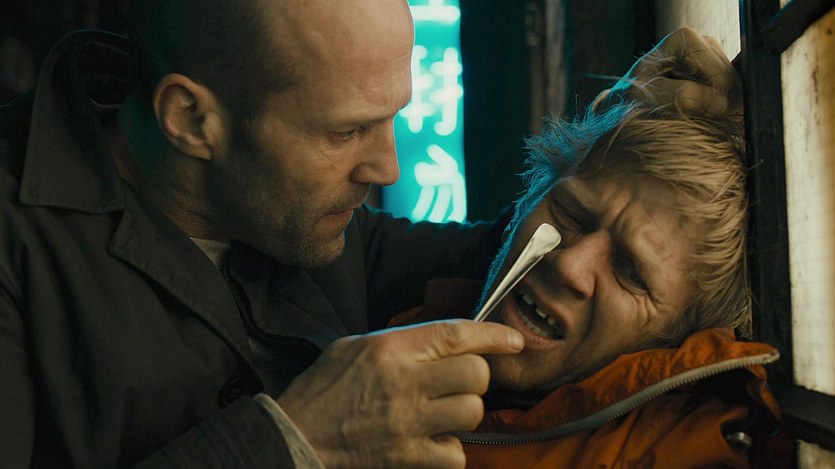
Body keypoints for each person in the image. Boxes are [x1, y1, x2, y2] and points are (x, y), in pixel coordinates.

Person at [0, 0, 742, 463]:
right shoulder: (18, 250)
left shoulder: (315, 225)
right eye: (347, 130)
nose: (386, 165)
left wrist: (665, 128)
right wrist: (295, 439)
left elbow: (530, 255)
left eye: (392, 117)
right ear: (192, 119)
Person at [394, 51, 791, 468]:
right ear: (529, 197)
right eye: (571, 213)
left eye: (631, 272)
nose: (570, 266)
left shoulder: (684, 454)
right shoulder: (408, 316)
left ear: (675, 341)